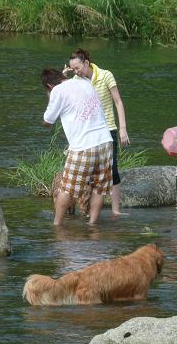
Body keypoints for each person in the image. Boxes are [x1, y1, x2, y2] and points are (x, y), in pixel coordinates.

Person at [41, 68, 113, 226]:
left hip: (83, 146)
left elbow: (48, 121)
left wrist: (51, 94)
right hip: (105, 142)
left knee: (67, 188)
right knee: (99, 189)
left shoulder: (56, 91)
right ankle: (92, 225)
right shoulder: (85, 82)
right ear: (62, 77)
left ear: (48, 85)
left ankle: (57, 225)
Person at [63, 48, 129, 215]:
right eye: (73, 69)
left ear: (87, 63)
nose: (76, 72)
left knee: (112, 169)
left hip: (108, 130)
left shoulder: (106, 75)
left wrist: (123, 129)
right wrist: (65, 77)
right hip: (88, 132)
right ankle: (83, 210)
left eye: (77, 68)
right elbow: (65, 97)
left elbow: (118, 102)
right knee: (87, 171)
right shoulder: (77, 79)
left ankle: (115, 211)